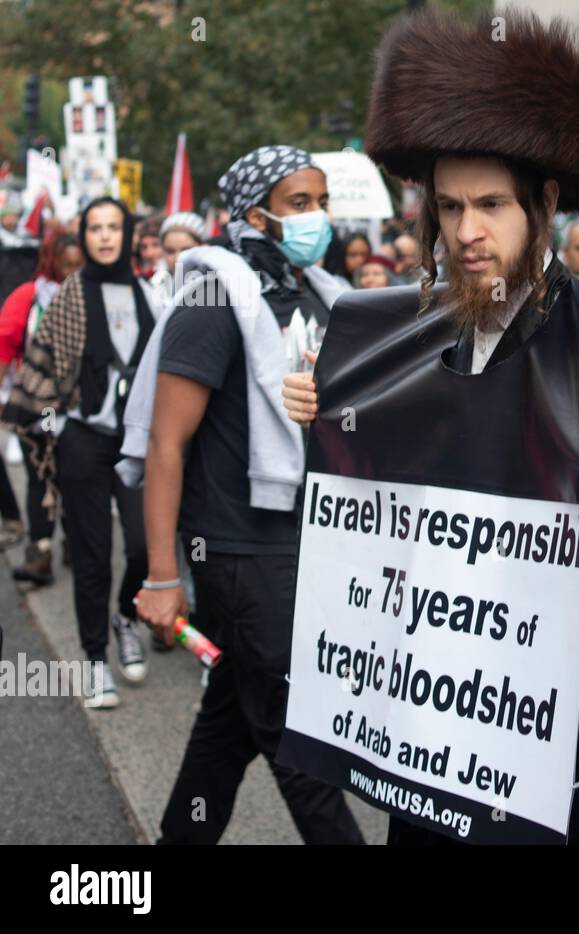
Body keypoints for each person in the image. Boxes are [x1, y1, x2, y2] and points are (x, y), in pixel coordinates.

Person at [282, 7, 579, 844]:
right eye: (448, 207)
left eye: (489, 205)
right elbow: (369, 520)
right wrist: (327, 420)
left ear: (543, 203)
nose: (466, 233)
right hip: (423, 723)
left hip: (552, 735)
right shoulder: (397, 338)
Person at [130, 145, 361, 844]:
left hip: (305, 538)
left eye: (322, 202)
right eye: (300, 204)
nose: (317, 217)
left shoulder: (318, 294)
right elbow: (165, 445)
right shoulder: (210, 295)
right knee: (299, 742)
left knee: (230, 719)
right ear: (255, 212)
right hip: (238, 547)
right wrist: (164, 574)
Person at [3, 198, 161, 710]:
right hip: (84, 440)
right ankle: (95, 660)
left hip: (137, 440)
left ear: (130, 233)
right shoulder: (69, 295)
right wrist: (57, 426)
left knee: (140, 547)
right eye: (96, 228)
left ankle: (124, 616)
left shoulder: (146, 294)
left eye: (115, 227)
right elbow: (40, 365)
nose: (106, 236)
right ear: (84, 235)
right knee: (92, 554)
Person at [0, 228, 82, 579]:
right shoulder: (29, 297)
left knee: (76, 477)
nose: (70, 273)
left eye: (78, 265)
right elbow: (4, 344)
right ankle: (42, 549)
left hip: (83, 408)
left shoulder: (94, 295)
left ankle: (73, 545)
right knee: (42, 472)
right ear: (51, 262)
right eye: (65, 265)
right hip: (42, 408)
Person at [150, 211, 206, 300]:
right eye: (170, 251)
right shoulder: (153, 287)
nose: (178, 257)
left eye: (186, 250)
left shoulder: (216, 290)